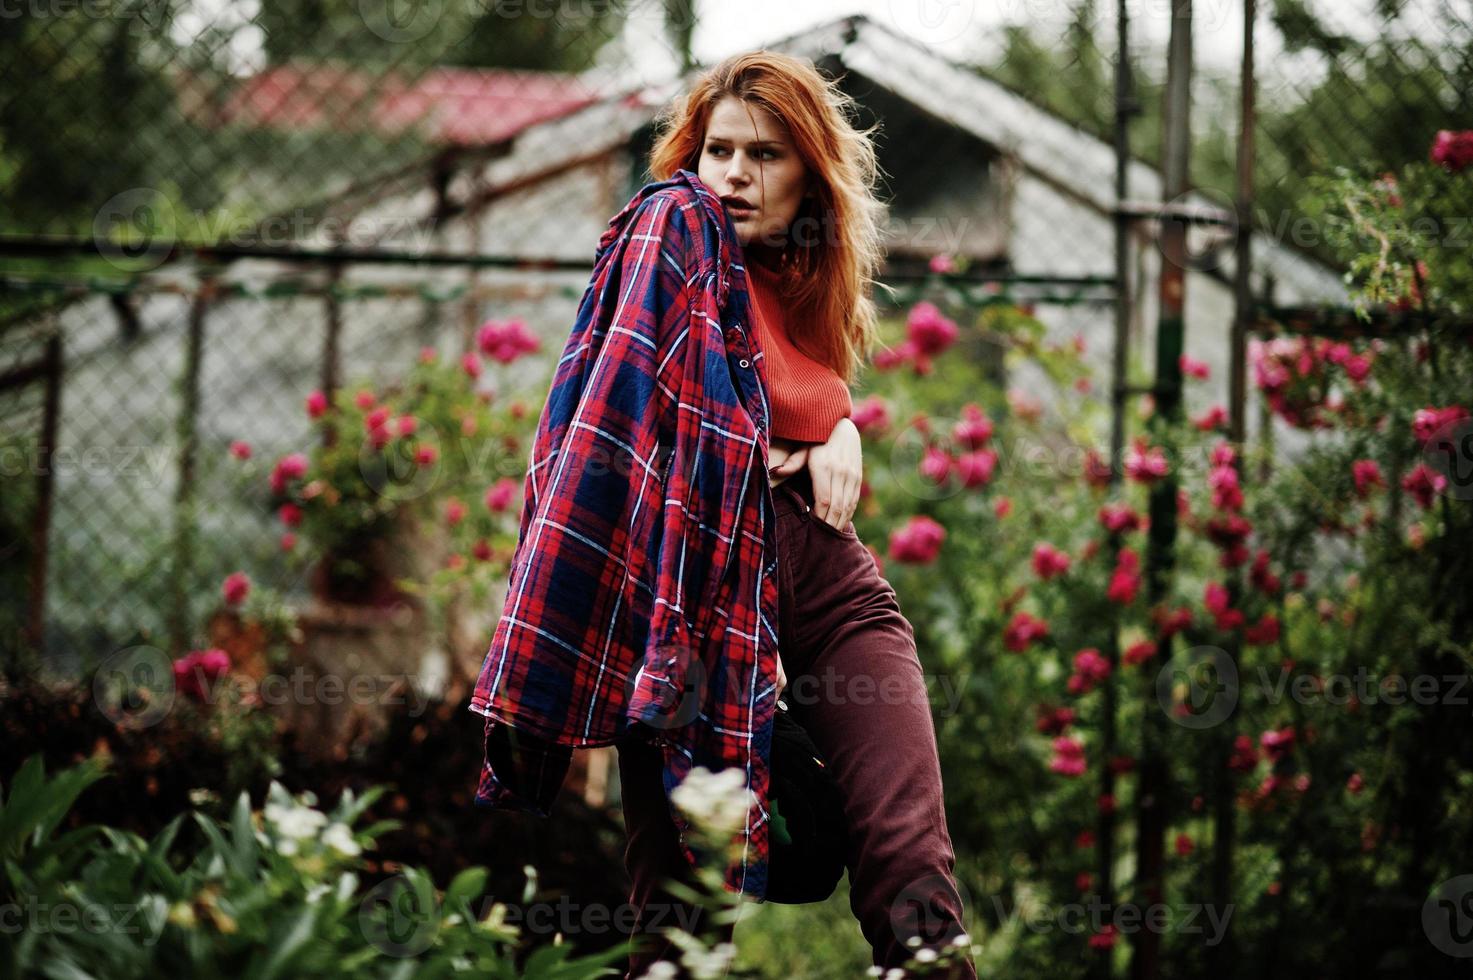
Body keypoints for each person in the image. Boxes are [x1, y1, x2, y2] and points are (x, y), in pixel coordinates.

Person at [469, 51, 975, 980]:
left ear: (808, 174)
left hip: (829, 585)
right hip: (686, 604)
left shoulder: (795, 282)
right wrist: (823, 422)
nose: (735, 174)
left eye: (767, 155)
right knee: (680, 918)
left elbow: (785, 386)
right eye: (718, 149)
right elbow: (637, 421)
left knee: (912, 875)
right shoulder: (674, 232)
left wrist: (838, 423)